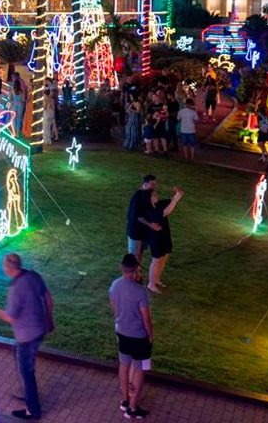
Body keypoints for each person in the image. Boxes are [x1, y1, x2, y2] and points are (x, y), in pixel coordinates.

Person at [0, 253, 54, 421]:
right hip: (39, 329)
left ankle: (33, 411)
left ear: (9, 269)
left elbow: (10, 317)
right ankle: (27, 392)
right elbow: (48, 297)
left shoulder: (15, 289)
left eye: (4, 265)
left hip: (27, 336)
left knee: (26, 371)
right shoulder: (33, 275)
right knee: (17, 356)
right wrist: (49, 318)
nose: (3, 268)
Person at [109, 253, 154, 421]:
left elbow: (113, 308)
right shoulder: (140, 291)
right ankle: (133, 408)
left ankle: (125, 400)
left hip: (122, 332)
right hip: (138, 336)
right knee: (139, 368)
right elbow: (146, 318)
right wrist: (150, 335)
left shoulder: (114, 285)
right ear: (136, 269)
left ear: (121, 268)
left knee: (123, 364)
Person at [145, 186, 183, 293]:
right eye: (153, 194)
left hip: (164, 235)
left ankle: (156, 279)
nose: (156, 195)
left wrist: (178, 194)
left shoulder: (158, 204)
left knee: (164, 257)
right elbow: (166, 212)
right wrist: (175, 200)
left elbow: (171, 202)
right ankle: (151, 284)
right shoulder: (149, 210)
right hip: (155, 237)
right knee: (156, 259)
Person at [126, 175, 161, 271]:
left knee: (139, 253)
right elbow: (139, 217)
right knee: (135, 255)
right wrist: (151, 225)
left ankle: (137, 271)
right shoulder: (138, 196)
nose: (154, 187)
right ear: (145, 184)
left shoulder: (147, 195)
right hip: (135, 231)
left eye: (155, 184)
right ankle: (133, 274)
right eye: (152, 184)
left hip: (142, 231)